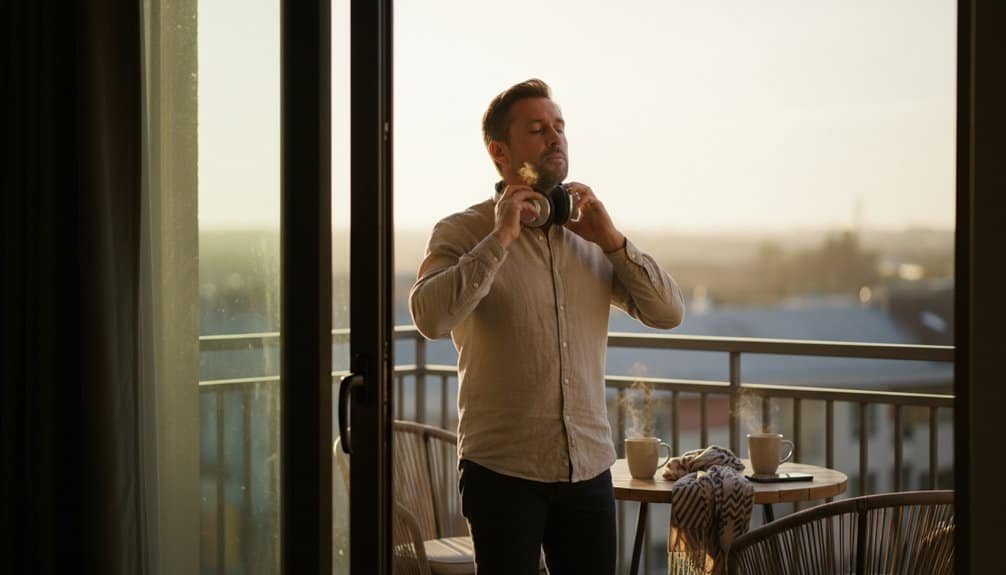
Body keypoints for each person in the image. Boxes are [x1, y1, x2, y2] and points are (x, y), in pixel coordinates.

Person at [409, 78, 685, 574]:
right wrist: (501, 237)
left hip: (588, 468)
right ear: (499, 151)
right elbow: (430, 317)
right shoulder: (462, 231)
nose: (555, 137)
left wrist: (614, 241)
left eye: (559, 127)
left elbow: (668, 312)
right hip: (501, 470)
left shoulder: (591, 237)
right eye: (537, 129)